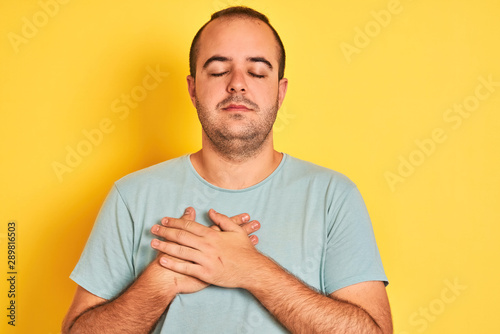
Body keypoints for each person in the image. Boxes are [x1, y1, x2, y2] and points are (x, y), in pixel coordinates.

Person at [62, 6, 392, 334]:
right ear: (192, 89)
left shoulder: (333, 196)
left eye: (258, 72)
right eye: (219, 70)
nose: (237, 84)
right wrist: (162, 280)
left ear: (280, 91)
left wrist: (253, 270)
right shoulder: (131, 196)